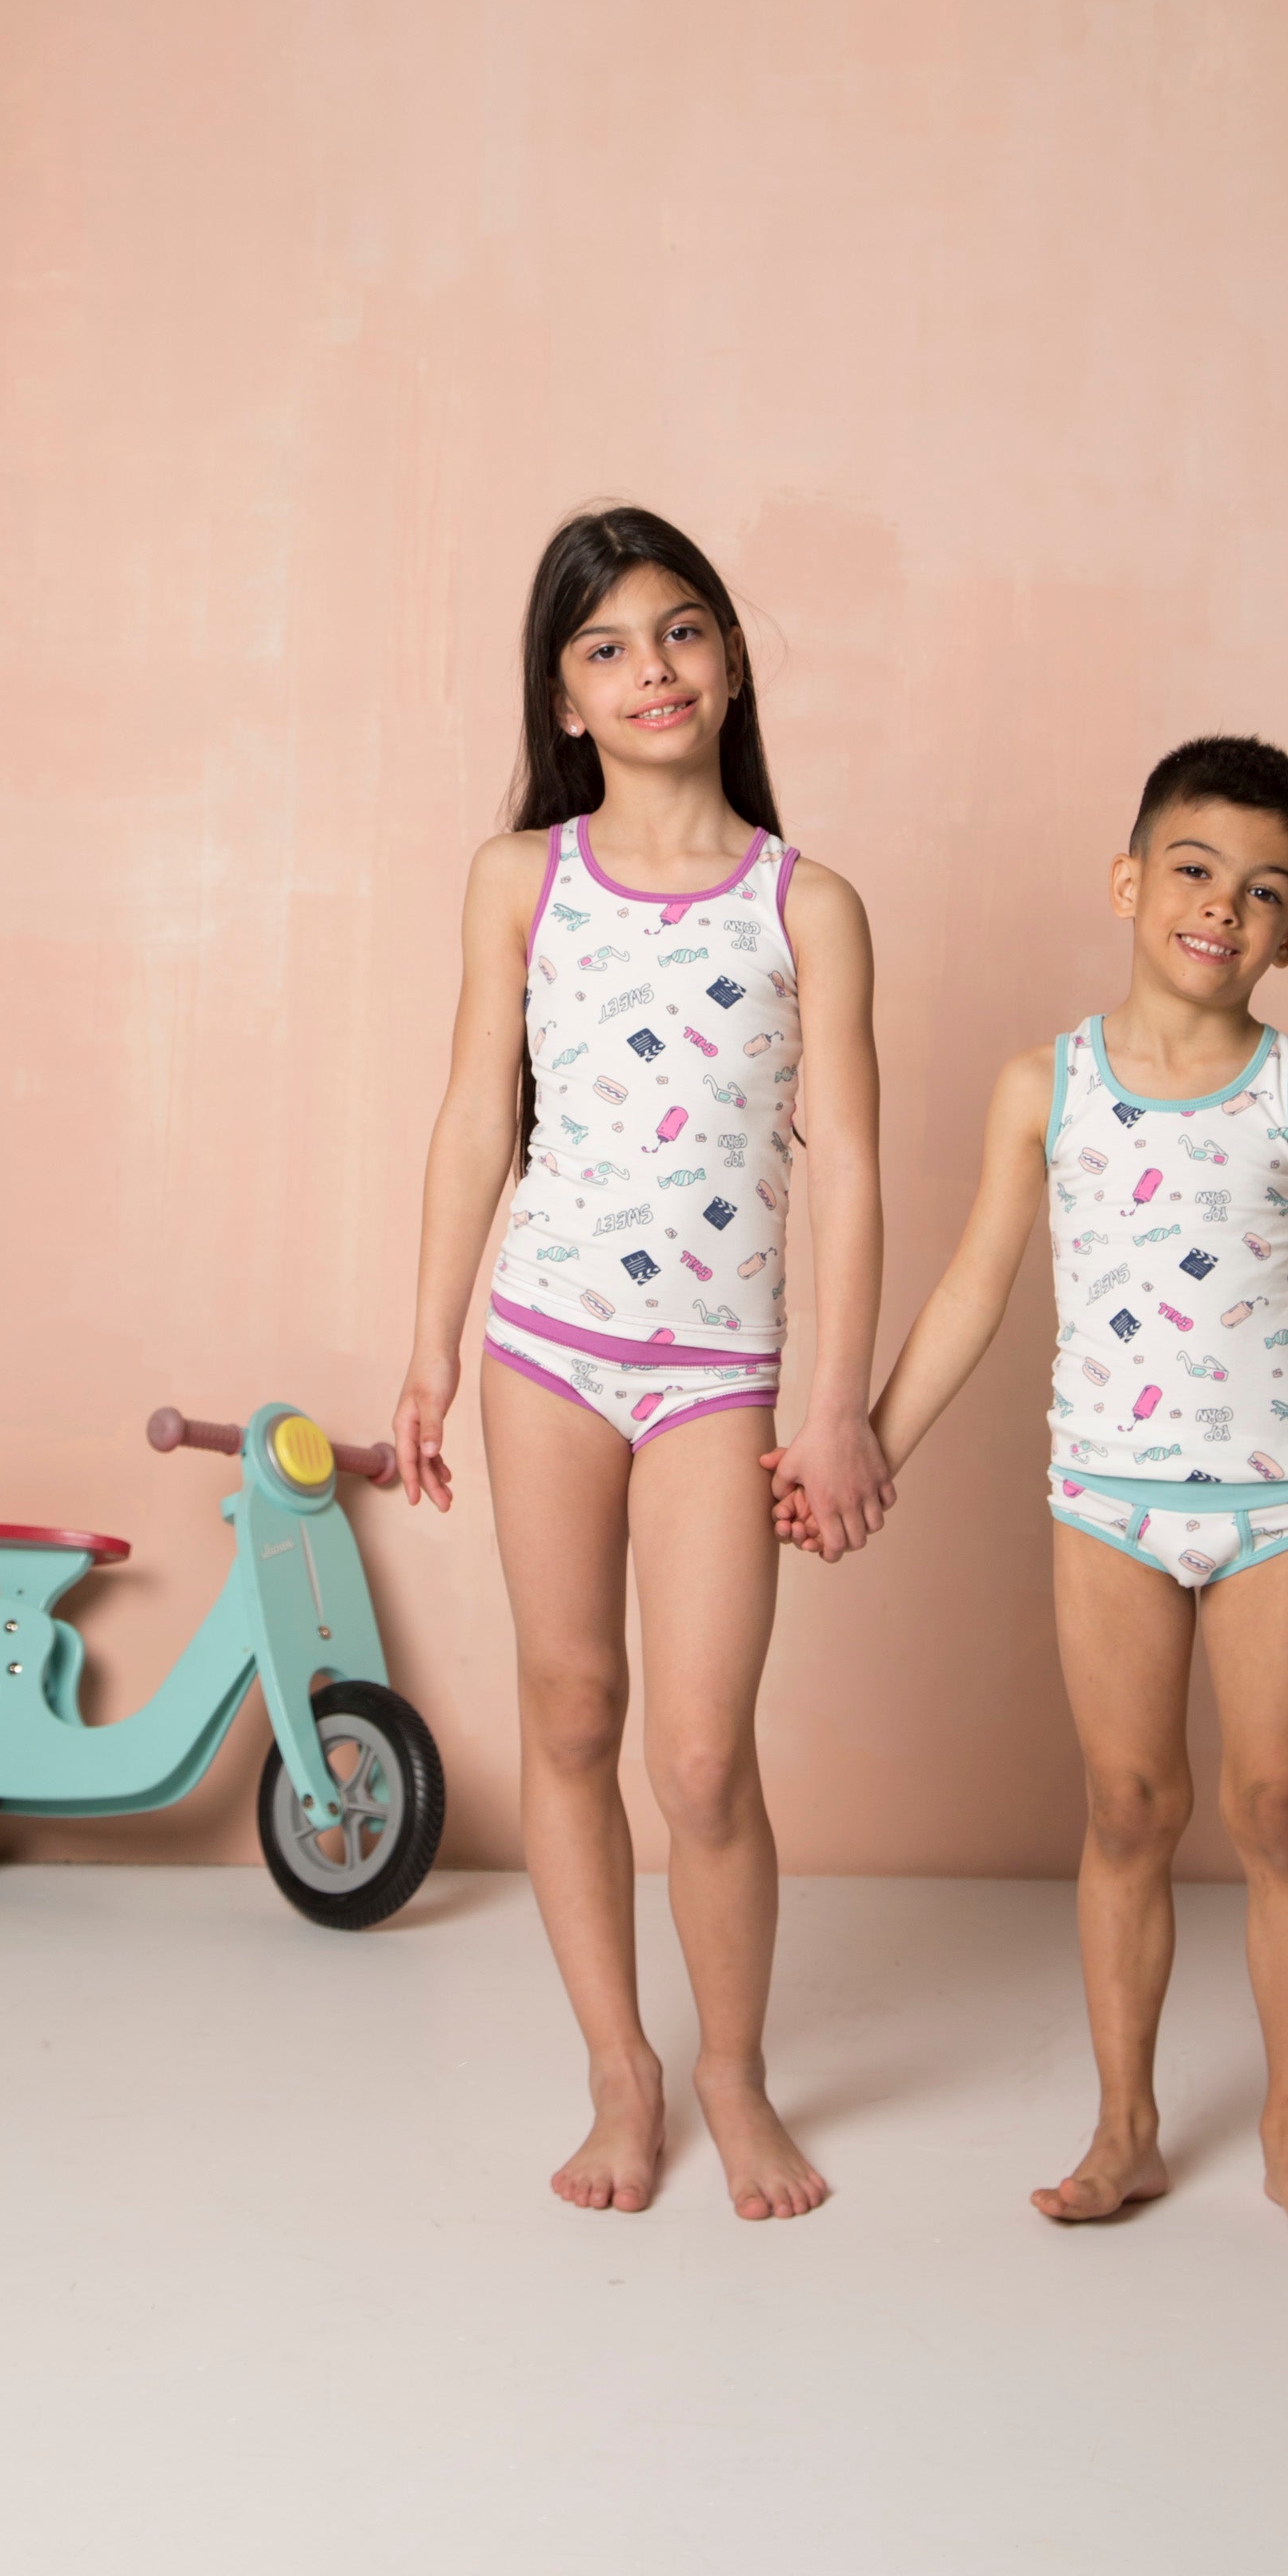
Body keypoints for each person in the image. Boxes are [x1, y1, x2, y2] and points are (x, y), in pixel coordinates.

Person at [776, 736, 1288, 2241]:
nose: (1224, 905)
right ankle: (1125, 2127)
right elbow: (972, 1287)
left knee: (1277, 1809)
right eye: (1195, 870)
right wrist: (867, 1438)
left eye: (1265, 891)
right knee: (1129, 1807)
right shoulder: (1048, 1085)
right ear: (1129, 882)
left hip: (1275, 1515)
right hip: (1106, 1505)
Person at [395, 508, 892, 2219]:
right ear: (563, 698)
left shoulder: (807, 904)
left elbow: (852, 1166)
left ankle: (733, 2072)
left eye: (679, 632)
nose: (650, 670)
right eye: (605, 648)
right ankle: (620, 2070)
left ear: (730, 659)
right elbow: (476, 1115)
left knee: (698, 1758)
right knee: (570, 1708)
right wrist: (428, 1349)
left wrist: (837, 1404)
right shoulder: (517, 879)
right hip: (544, 1347)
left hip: (716, 1375)